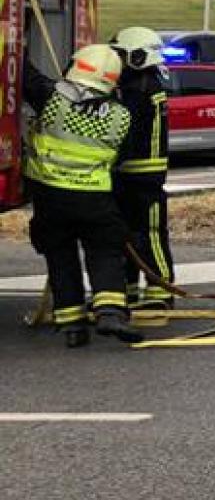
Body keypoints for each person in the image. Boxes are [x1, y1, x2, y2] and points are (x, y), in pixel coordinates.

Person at [24, 45, 138, 347]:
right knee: (105, 251)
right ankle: (110, 312)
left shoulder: (52, 99)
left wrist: (16, 42)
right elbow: (123, 157)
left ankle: (72, 325)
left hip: (51, 196)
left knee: (60, 256)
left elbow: (26, 77)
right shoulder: (121, 116)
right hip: (94, 197)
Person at [109, 26, 175, 310]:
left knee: (150, 235)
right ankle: (130, 290)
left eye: (121, 55)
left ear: (137, 57)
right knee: (128, 236)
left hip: (142, 176)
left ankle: (161, 291)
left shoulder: (140, 89)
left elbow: (127, 134)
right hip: (134, 175)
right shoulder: (143, 84)